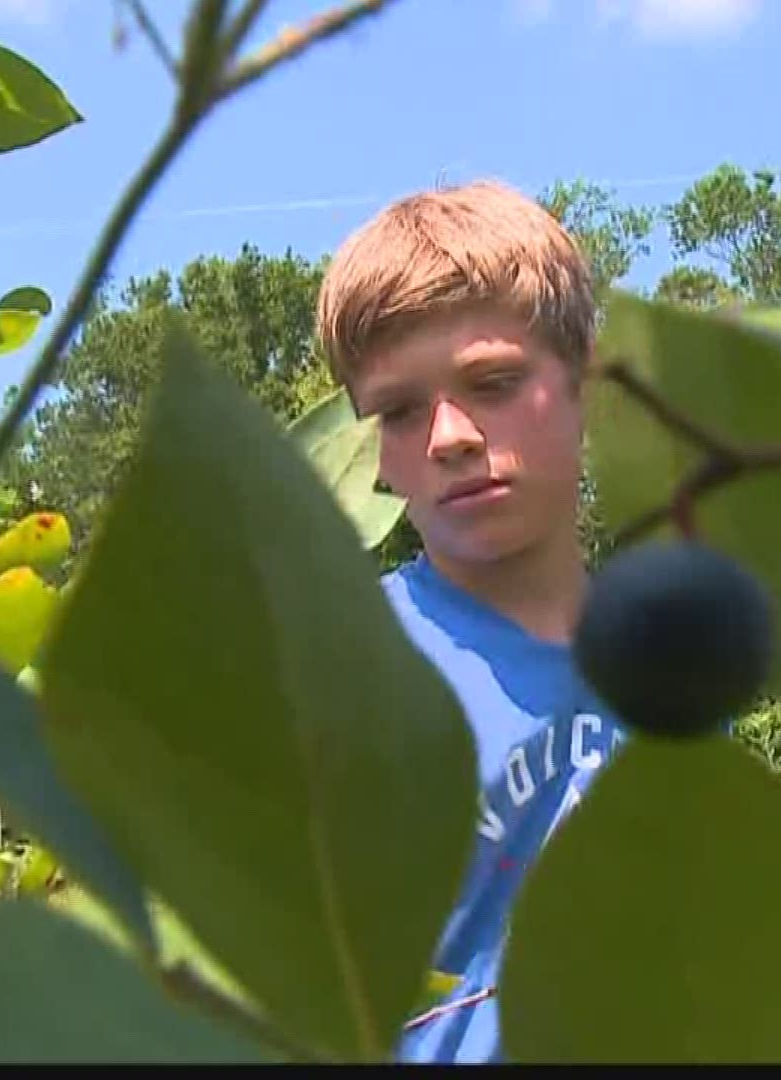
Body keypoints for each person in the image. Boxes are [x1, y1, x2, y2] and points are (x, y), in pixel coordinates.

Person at [313, 178, 629, 1064]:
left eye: (492, 382)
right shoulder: (336, 677)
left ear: (589, 386)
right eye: (399, 411)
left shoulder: (677, 678)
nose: (447, 435)